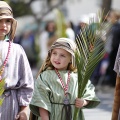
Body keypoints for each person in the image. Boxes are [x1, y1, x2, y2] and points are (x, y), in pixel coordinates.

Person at [29, 37, 100, 120]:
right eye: (54, 53)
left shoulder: (78, 77)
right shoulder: (45, 77)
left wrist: (84, 101)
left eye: (62, 55)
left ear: (71, 59)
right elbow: (41, 102)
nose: (57, 58)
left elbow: (89, 92)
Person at [0, 1, 34, 120]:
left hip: (10, 103)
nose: (4, 25)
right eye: (0, 20)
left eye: (7, 21)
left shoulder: (17, 50)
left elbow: (26, 83)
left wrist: (24, 109)